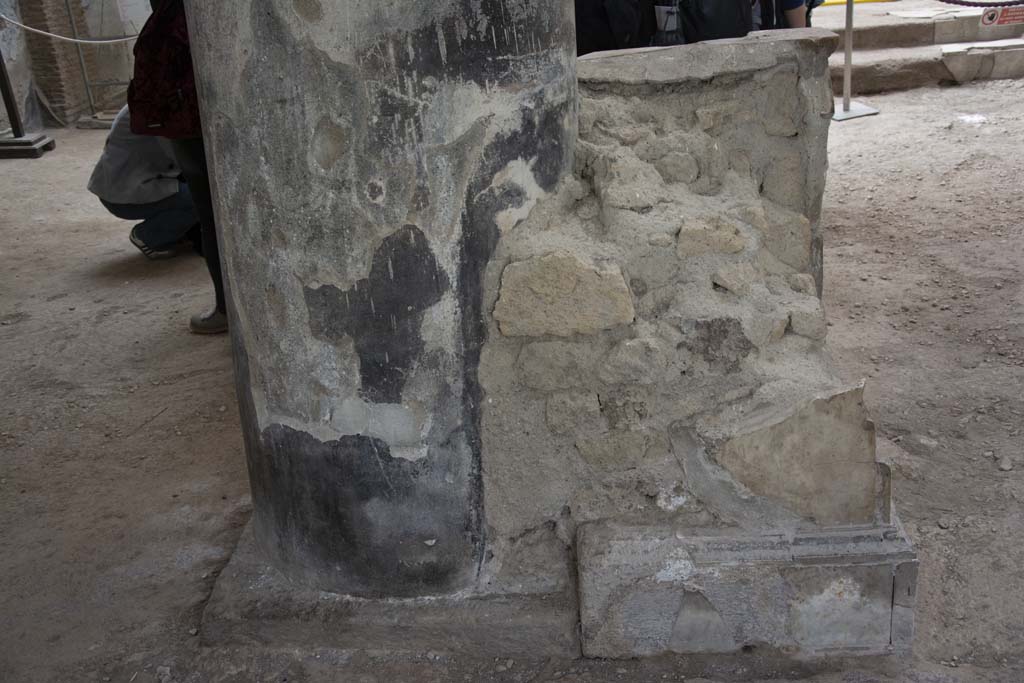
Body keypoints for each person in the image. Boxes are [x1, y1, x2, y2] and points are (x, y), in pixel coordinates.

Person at [128, 0, 226, 335]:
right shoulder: (183, 21)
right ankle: (228, 309)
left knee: (213, 216)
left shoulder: (172, 21)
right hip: (197, 115)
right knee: (212, 215)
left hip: (189, 117)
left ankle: (227, 310)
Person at [88, 104, 199, 260]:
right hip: (124, 195)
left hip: (125, 185)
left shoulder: (148, 98)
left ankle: (175, 232)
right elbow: (184, 159)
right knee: (200, 198)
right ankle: (148, 237)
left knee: (195, 189)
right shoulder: (157, 109)